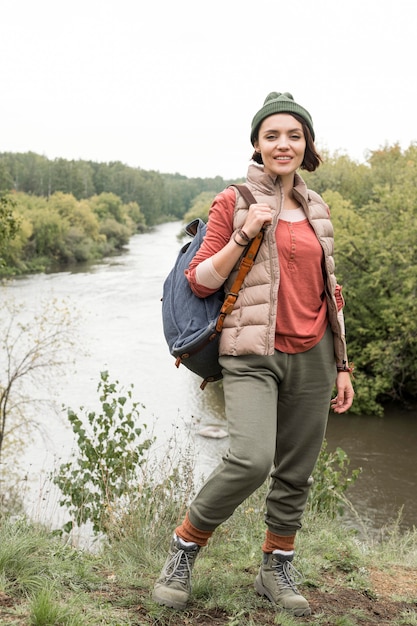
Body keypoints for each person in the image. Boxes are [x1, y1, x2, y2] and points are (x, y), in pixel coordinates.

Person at [153, 92, 354, 617]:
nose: (283, 144)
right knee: (250, 459)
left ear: (306, 144)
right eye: (272, 135)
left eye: (294, 135)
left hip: (314, 350)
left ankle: (276, 565)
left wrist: (343, 364)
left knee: (297, 468)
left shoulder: (317, 209)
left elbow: (330, 289)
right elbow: (199, 281)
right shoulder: (234, 199)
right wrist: (245, 231)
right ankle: (184, 548)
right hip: (249, 351)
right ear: (258, 144)